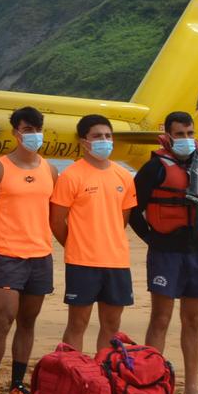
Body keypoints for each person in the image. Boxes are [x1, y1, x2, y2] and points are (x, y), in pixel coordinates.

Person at [134, 111, 198, 394]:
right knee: (160, 319)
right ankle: (150, 384)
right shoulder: (155, 167)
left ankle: (191, 388)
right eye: (180, 134)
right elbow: (133, 209)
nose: (186, 139)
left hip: (197, 252)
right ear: (167, 135)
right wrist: (153, 238)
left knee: (193, 320)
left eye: (189, 133)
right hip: (166, 253)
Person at [0, 106, 56, 394]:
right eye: (26, 129)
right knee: (3, 318)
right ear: (15, 133)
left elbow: (51, 210)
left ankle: (18, 384)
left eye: (36, 129)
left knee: (28, 321)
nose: (32, 135)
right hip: (8, 255)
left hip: (40, 255)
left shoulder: (50, 169)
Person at [53, 115, 138, 351]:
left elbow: (122, 218)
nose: (104, 140)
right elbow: (57, 221)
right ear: (84, 141)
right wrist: (75, 244)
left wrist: (108, 240)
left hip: (117, 261)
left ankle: (104, 374)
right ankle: (73, 374)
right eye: (97, 136)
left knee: (111, 324)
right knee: (77, 323)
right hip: (82, 261)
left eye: (108, 136)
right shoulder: (71, 175)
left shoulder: (123, 176)